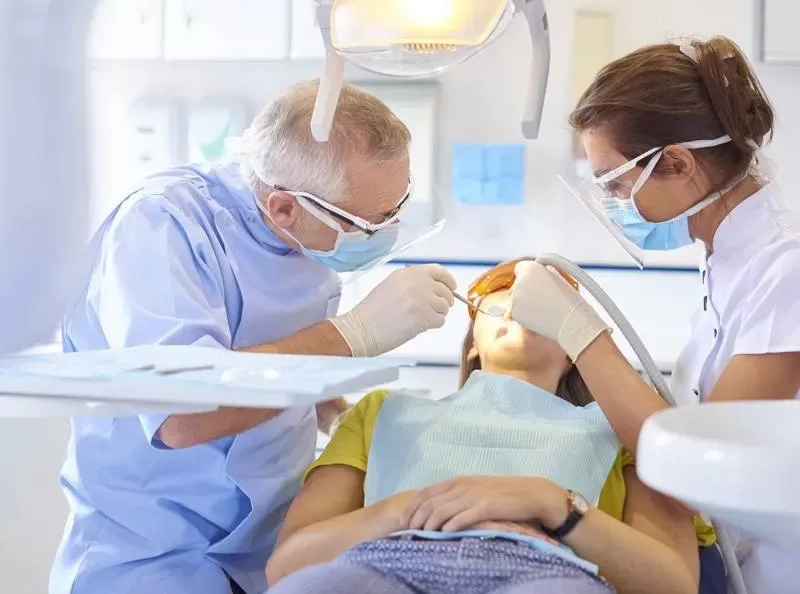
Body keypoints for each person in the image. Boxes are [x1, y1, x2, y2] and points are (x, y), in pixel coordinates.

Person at [50, 81, 457, 594]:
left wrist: (337, 412)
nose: (389, 231)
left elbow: (274, 348)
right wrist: (355, 334)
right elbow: (182, 415)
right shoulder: (160, 227)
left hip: (267, 550)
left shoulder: (309, 233)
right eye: (369, 224)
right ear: (284, 208)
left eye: (398, 207)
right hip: (152, 554)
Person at [508, 36, 800, 594]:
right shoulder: (725, 257)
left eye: (615, 182)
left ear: (676, 162)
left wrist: (581, 333)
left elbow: (703, 458)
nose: (615, 202)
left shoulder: (786, 270)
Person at [265, 259, 720, 594]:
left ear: (574, 351)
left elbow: (673, 584)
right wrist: (408, 509)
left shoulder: (626, 431)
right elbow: (287, 567)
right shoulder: (381, 413)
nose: (521, 302)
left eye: (549, 306)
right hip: (387, 560)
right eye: (503, 293)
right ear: (472, 348)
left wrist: (553, 505)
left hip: (546, 573)